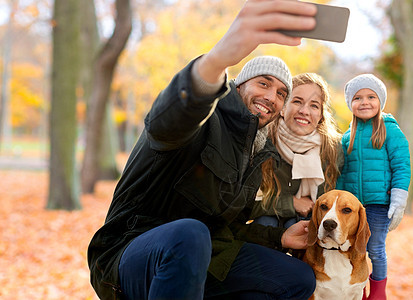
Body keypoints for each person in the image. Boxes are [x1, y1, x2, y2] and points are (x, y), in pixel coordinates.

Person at [87, 1, 320, 299]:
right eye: (263, 83)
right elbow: (168, 122)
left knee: (297, 278)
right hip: (131, 254)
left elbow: (228, 228)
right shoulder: (204, 119)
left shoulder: (256, 152)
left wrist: (279, 236)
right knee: (190, 234)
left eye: (281, 94)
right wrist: (216, 61)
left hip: (203, 258)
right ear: (238, 86)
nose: (271, 97)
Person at [335, 74, 411, 300]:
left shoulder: (390, 131)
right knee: (353, 250)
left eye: (371, 97)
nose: (364, 102)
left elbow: (402, 165)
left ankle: (378, 293)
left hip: (378, 204)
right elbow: (342, 172)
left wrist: (398, 199)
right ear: (351, 104)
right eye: (357, 98)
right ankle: (359, 289)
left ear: (380, 102)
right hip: (353, 208)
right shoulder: (347, 137)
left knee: (375, 249)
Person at [251, 73, 343, 229]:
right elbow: (243, 204)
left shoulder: (333, 149)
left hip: (310, 221)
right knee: (266, 223)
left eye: (314, 105)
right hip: (267, 221)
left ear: (321, 115)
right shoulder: (262, 141)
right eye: (297, 101)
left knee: (304, 225)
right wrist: (291, 203)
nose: (304, 111)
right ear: (282, 108)